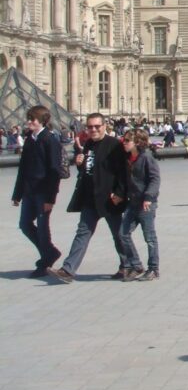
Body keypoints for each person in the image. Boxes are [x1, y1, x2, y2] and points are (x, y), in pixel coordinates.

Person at [51, 112, 129, 283]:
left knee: (118, 235)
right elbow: (88, 171)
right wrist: (80, 164)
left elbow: (123, 173)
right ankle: (68, 270)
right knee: (82, 233)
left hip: (109, 199)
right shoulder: (87, 145)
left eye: (96, 126)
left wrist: (120, 194)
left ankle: (127, 265)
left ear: (104, 126)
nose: (93, 129)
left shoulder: (114, 145)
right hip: (90, 198)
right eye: (90, 127)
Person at [11, 105, 64, 277]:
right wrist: (17, 194)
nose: (28, 122)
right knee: (25, 225)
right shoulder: (29, 139)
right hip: (29, 191)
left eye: (32, 119)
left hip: (43, 192)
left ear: (42, 121)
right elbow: (23, 169)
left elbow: (54, 171)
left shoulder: (50, 140)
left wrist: (50, 198)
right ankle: (50, 252)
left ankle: (45, 261)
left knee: (42, 228)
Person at [120, 129, 161, 281]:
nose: (123, 143)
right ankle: (136, 266)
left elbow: (155, 179)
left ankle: (153, 269)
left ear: (137, 142)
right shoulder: (129, 157)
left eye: (126, 141)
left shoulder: (146, 157)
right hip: (133, 202)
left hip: (146, 203)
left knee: (149, 238)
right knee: (123, 234)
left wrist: (149, 197)